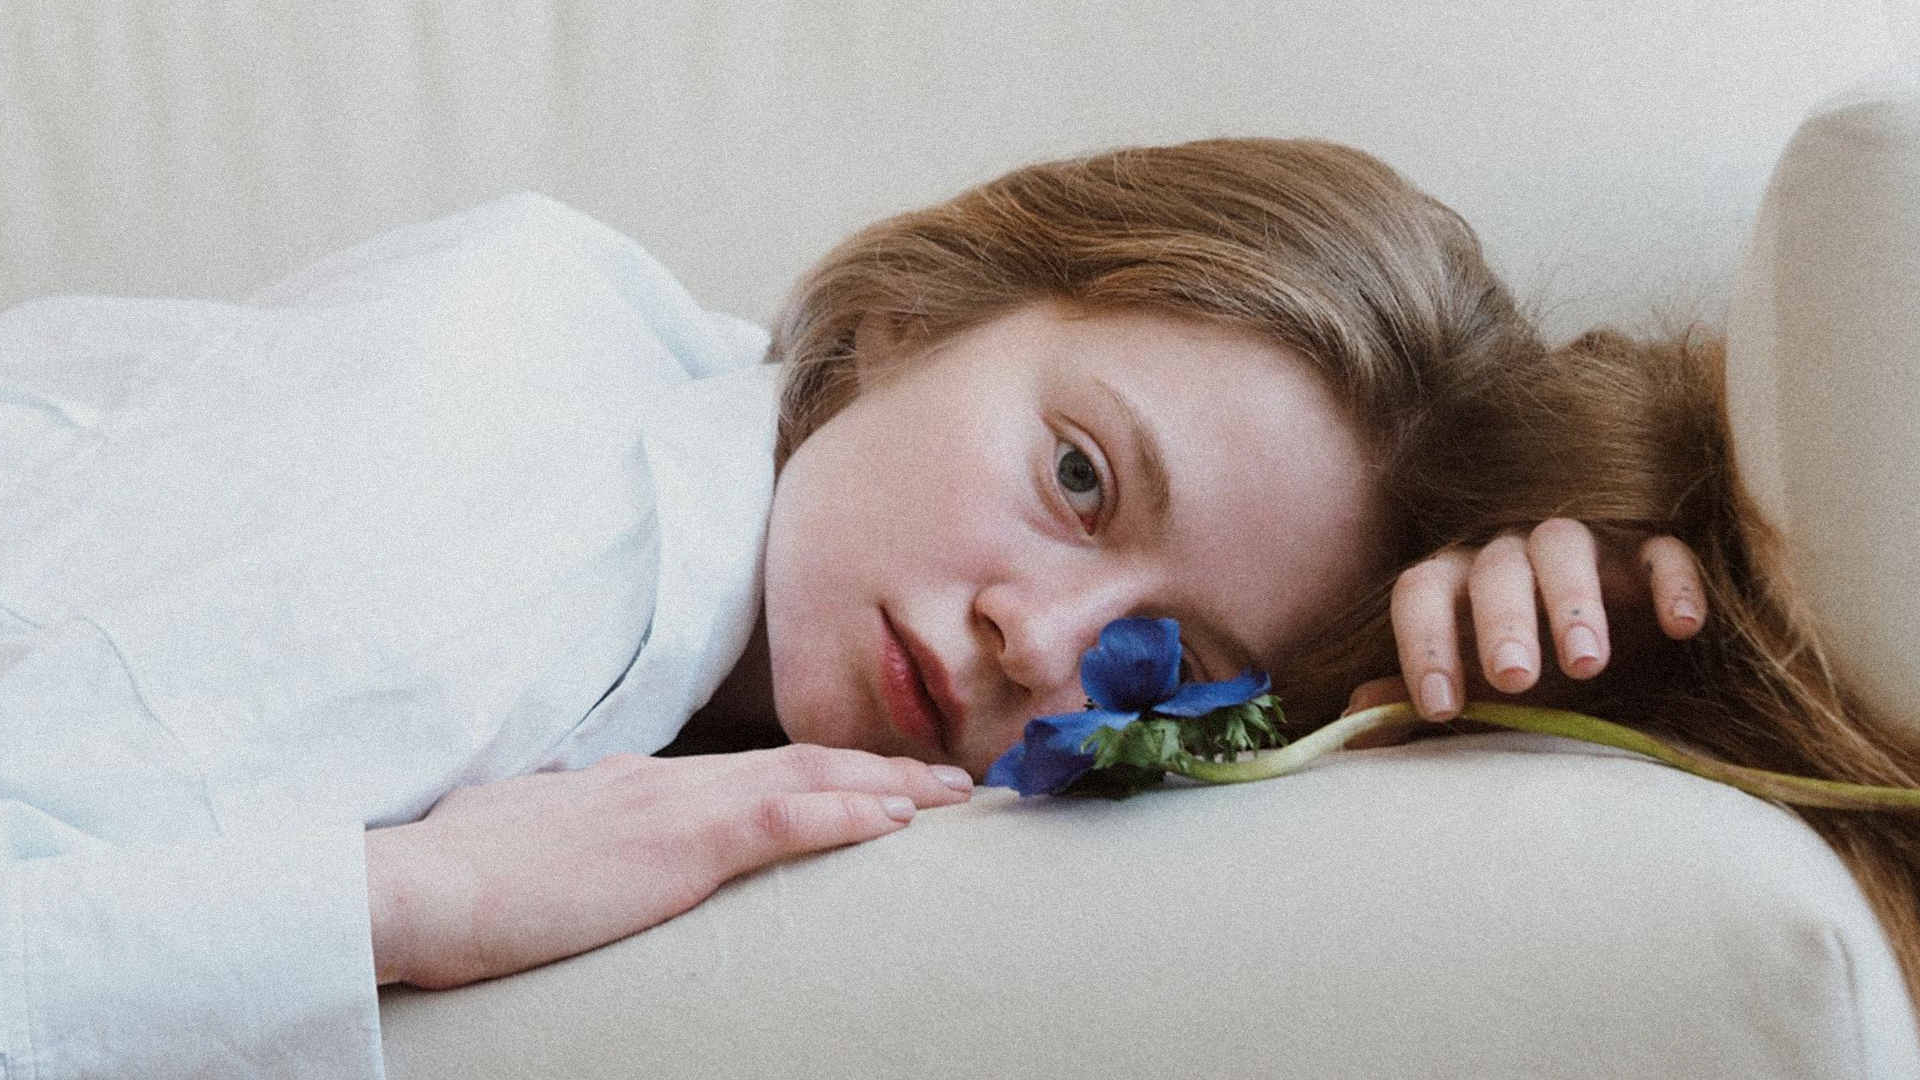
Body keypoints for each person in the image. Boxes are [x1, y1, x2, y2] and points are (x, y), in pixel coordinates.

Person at [0, 136, 1909, 1077]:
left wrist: (1549, 670)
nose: (1046, 648)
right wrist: (403, 899)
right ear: (920, 312)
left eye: (1172, 663)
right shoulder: (519, 501)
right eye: (1079, 477)